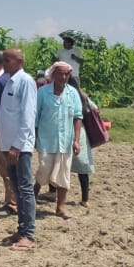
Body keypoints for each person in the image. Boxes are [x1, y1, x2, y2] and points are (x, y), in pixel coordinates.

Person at [0, 48, 38, 251]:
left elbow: (28, 116)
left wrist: (17, 145)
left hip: (18, 146)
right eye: (3, 60)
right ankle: (21, 230)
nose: (4, 63)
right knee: (16, 188)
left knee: (25, 188)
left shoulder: (26, 81)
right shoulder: (8, 81)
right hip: (8, 145)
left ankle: (29, 234)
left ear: (19, 61)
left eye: (8, 60)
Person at [34, 61, 83, 219]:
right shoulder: (42, 93)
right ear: (53, 74)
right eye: (60, 73)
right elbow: (35, 117)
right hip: (46, 140)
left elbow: (77, 117)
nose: (63, 77)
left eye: (66, 74)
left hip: (65, 141)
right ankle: (33, 194)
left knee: (64, 174)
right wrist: (34, 137)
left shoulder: (73, 93)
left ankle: (60, 207)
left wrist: (76, 140)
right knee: (44, 170)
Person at [0, 50, 18, 218]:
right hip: (10, 128)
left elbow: (0, 109)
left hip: (3, 128)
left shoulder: (1, 81)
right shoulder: (7, 79)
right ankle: (12, 200)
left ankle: (12, 202)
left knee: (5, 167)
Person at [70, 82, 97, 207]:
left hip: (66, 131)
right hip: (80, 132)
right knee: (82, 168)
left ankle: (53, 192)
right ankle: (85, 198)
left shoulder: (64, 94)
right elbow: (95, 108)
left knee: (57, 165)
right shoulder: (83, 97)